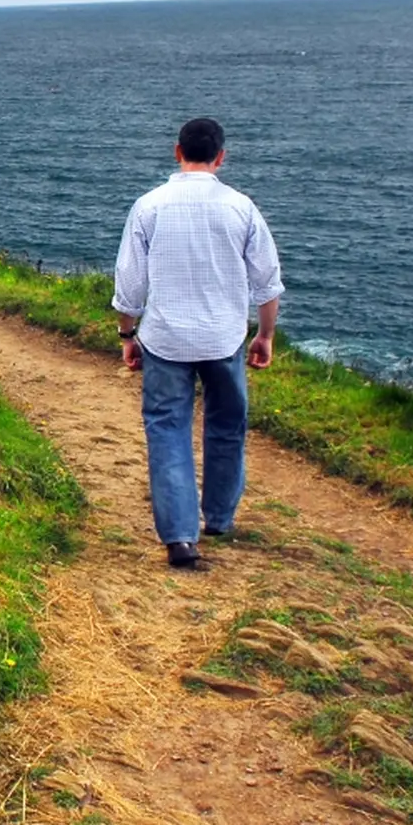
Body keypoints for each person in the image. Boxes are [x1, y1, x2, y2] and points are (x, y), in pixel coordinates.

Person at [112, 117, 284, 569]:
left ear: (177, 152)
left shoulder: (149, 206)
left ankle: (180, 539)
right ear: (221, 157)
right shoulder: (241, 208)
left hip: (165, 338)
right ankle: (220, 518)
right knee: (227, 426)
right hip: (224, 338)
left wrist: (128, 334)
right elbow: (267, 284)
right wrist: (264, 336)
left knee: (168, 430)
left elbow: (130, 284)